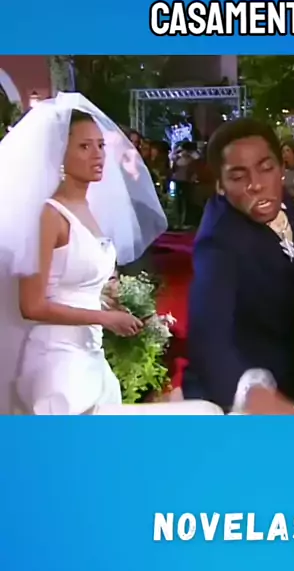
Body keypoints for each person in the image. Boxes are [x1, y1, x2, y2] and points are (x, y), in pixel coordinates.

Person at [0, 94, 221, 416]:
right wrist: (104, 318)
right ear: (59, 154)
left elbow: (78, 284)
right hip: (57, 362)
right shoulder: (48, 216)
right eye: (84, 146)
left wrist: (113, 304)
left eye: (101, 145)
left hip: (91, 353)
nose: (98, 155)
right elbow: (32, 305)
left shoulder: (90, 209)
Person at [184, 118, 294, 410]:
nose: (256, 184)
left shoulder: (284, 203)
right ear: (220, 186)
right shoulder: (218, 242)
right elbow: (208, 336)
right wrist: (252, 396)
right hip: (237, 393)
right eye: (238, 176)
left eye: (266, 168)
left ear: (281, 168)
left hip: (289, 376)